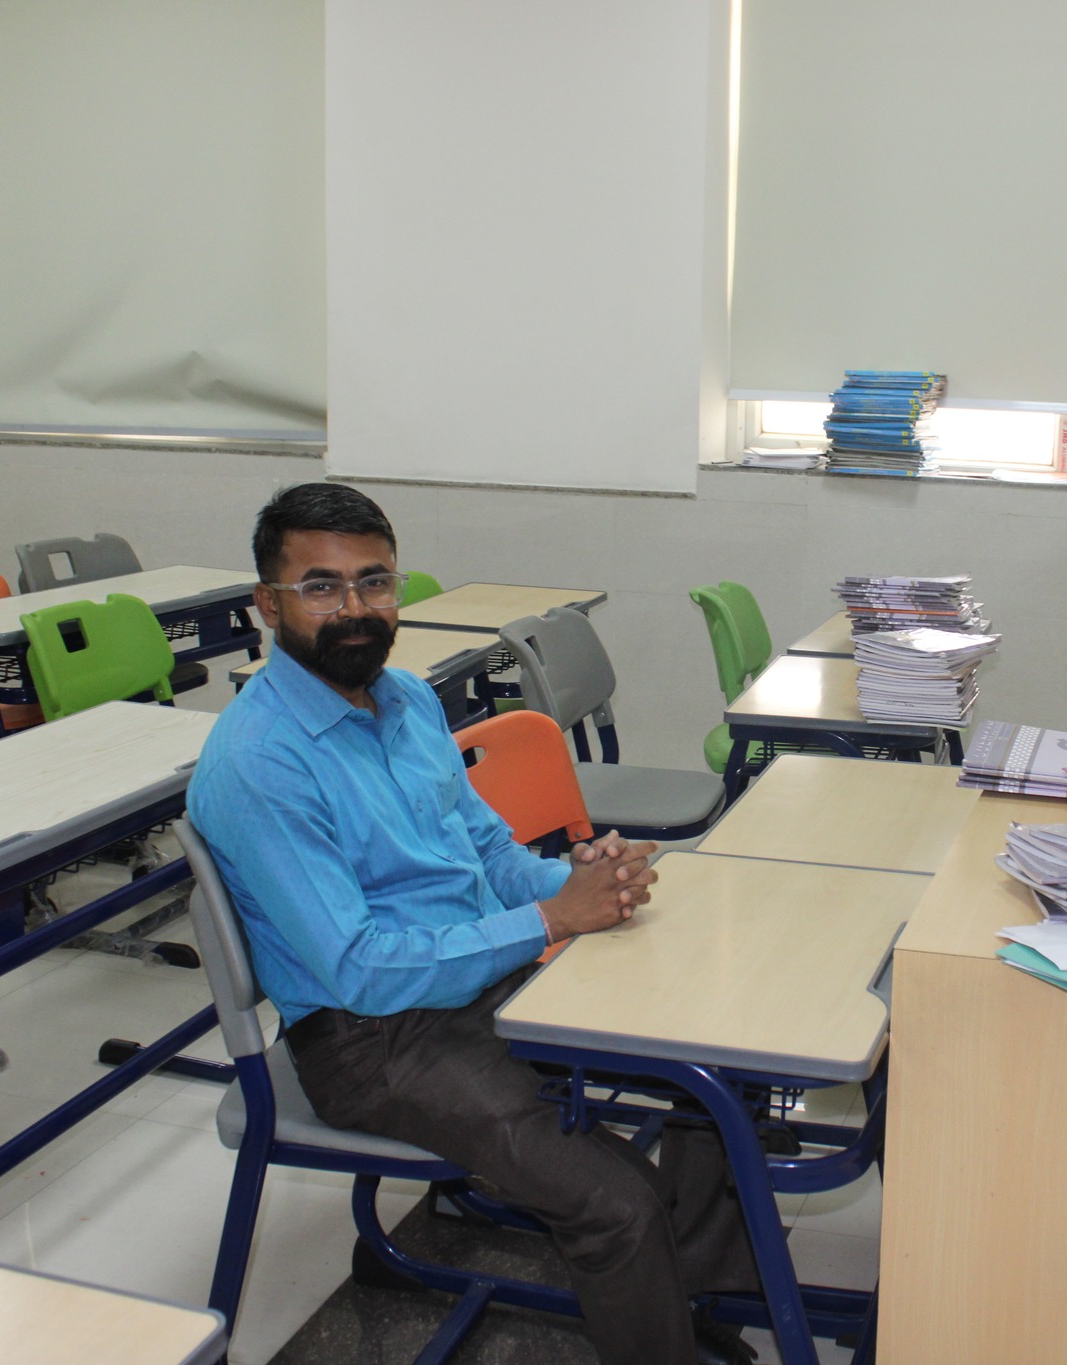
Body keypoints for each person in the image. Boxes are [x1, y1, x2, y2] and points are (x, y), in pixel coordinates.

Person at [187, 483, 759, 1365]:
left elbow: (489, 853)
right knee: (615, 1203)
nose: (355, 607)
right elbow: (358, 968)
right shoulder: (260, 761)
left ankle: (687, 1297)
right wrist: (549, 918)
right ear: (269, 603)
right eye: (322, 586)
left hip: (480, 976)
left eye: (375, 581)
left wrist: (587, 882)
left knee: (718, 1050)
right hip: (372, 1039)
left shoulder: (407, 701)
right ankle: (658, 1306)